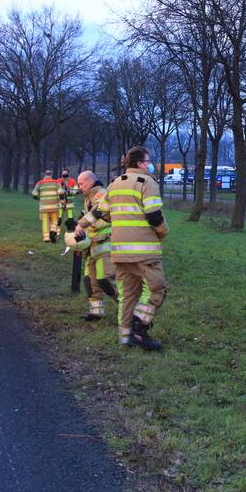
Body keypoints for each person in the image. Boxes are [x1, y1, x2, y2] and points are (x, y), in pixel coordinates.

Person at [76, 146, 167, 350]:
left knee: (128, 294)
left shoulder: (115, 184)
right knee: (156, 289)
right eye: (147, 160)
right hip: (144, 251)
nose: (150, 164)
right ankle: (139, 327)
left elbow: (99, 213)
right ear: (140, 163)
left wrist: (80, 225)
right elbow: (154, 216)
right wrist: (162, 232)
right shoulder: (148, 183)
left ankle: (125, 338)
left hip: (118, 252)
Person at [76, 170, 115, 321]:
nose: (79, 187)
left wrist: (84, 226)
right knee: (90, 281)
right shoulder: (88, 197)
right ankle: (96, 312)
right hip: (92, 245)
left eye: (81, 183)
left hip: (104, 243)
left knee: (106, 280)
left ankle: (128, 311)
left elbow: (101, 218)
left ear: (91, 181)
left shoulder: (99, 194)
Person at [32, 170, 65, 243]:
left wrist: (38, 198)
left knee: (45, 222)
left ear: (44, 175)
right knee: (54, 220)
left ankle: (46, 238)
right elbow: (61, 193)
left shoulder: (39, 183)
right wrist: (62, 202)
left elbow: (34, 193)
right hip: (54, 207)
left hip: (44, 207)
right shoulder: (56, 183)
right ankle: (53, 231)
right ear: (51, 175)